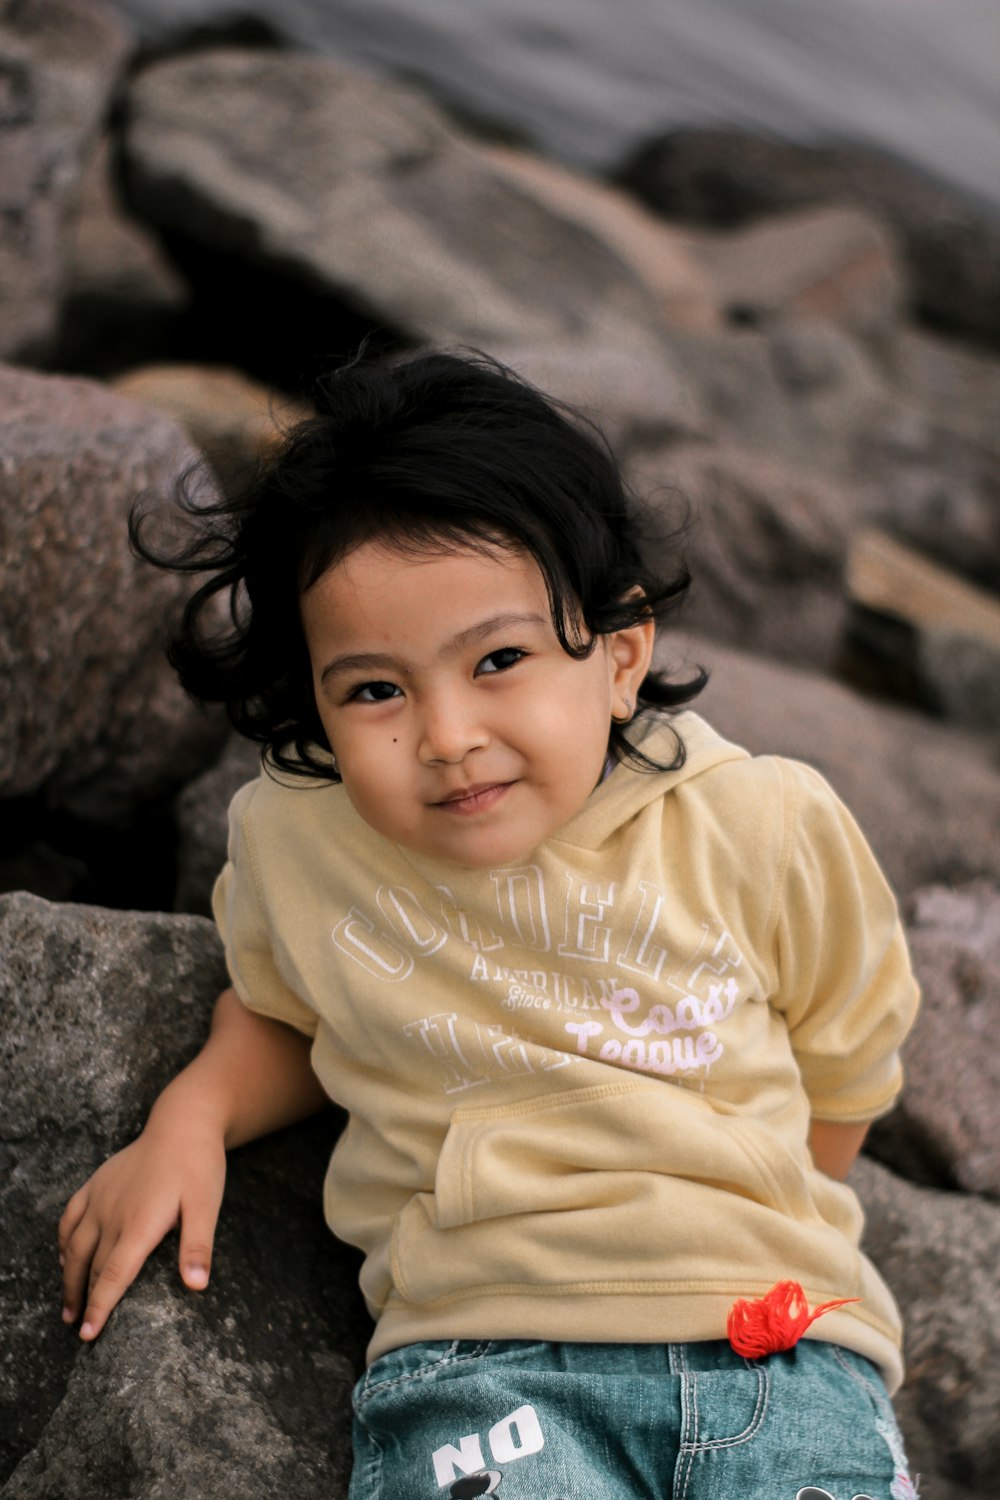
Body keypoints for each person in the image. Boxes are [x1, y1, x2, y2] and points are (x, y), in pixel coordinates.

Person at [58, 350, 920, 1500]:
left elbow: (849, 1058)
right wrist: (190, 1121)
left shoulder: (758, 822)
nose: (447, 732)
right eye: (375, 690)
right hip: (484, 1359)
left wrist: (760, 1215)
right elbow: (286, 1011)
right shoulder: (304, 841)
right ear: (311, 698)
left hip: (780, 1343)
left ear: (618, 656)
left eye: (499, 661)